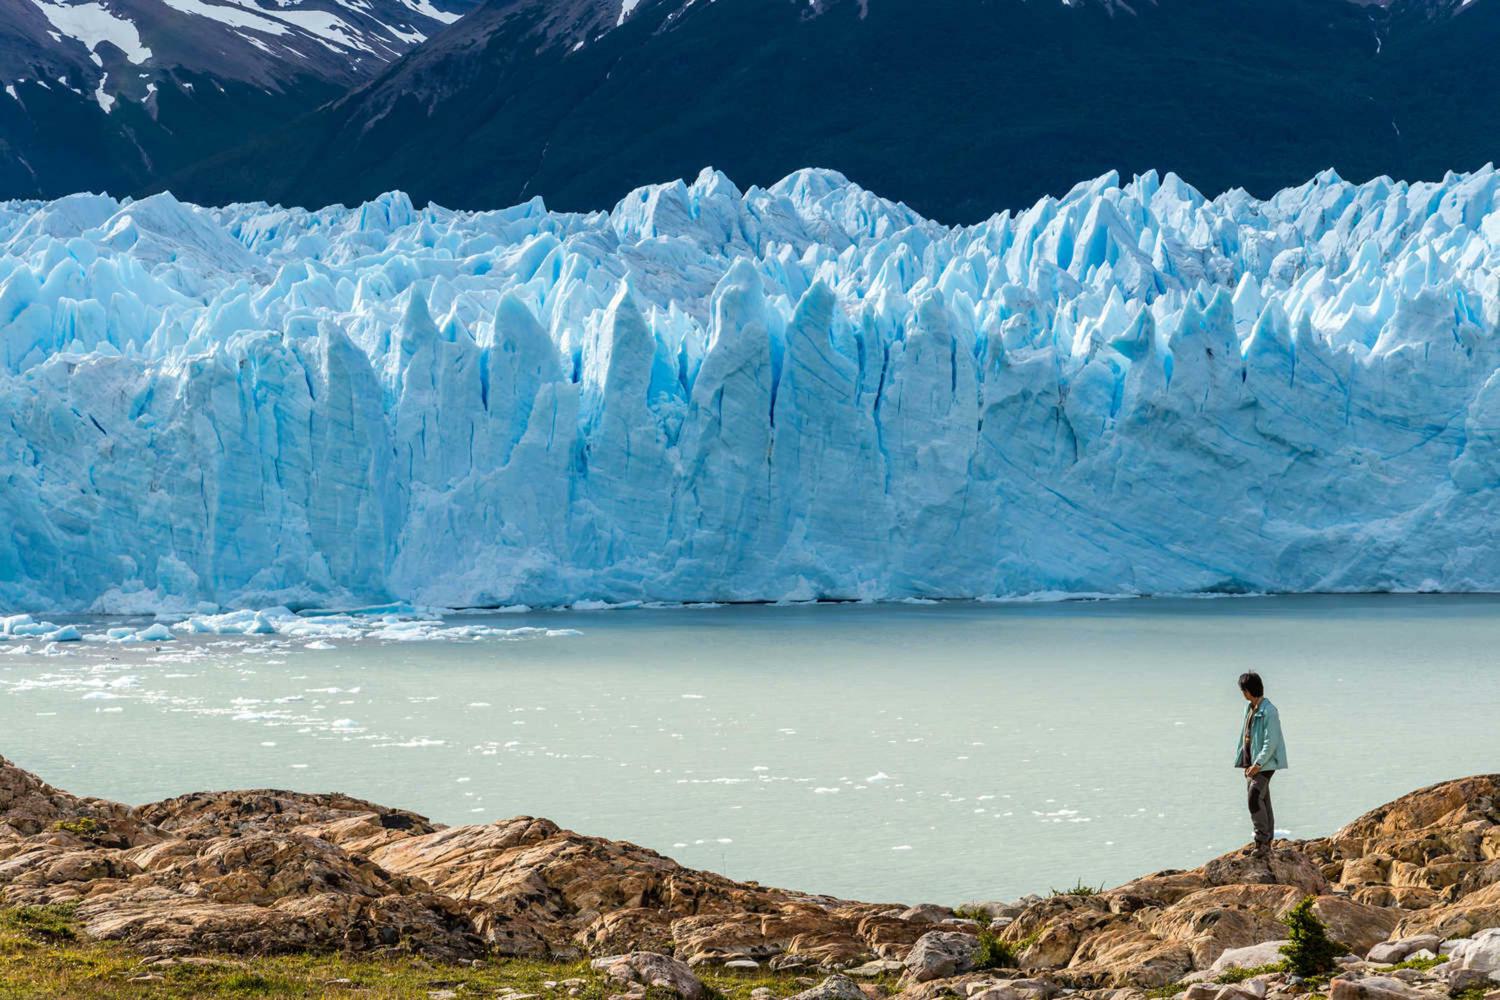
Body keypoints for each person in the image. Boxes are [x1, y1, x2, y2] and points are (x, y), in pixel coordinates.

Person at [1235, 671, 1286, 858]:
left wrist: (1257, 764)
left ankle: (1262, 842)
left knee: (1254, 798)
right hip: (1252, 764)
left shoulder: (1269, 711)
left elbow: (1270, 742)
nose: (1242, 694)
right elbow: (1246, 738)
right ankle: (1264, 842)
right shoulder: (1250, 709)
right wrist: (1245, 763)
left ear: (1248, 690)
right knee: (1263, 799)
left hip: (1265, 763)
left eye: (1243, 690)